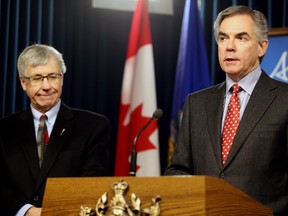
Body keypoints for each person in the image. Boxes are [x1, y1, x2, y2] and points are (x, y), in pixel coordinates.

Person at [165, 5, 288, 215]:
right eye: (223, 38)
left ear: (262, 46)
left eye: (241, 38)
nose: (229, 46)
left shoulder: (284, 99)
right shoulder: (197, 103)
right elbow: (178, 169)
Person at [0, 44, 111, 216]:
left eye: (53, 76)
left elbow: (92, 183)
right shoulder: (3, 130)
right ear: (23, 82)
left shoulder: (93, 126)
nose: (46, 86)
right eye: (37, 78)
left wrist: (53, 211)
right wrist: (26, 211)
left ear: (62, 79)